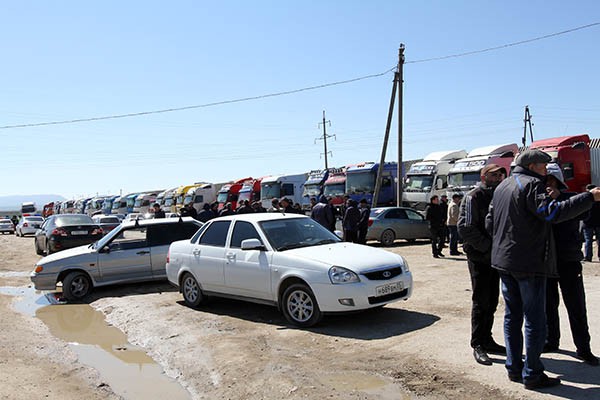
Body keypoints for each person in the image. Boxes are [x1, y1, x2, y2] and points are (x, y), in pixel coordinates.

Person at [487, 149, 600, 389]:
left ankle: (514, 368)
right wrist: (589, 197)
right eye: (543, 166)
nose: (546, 171)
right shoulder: (531, 185)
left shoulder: (503, 186)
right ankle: (533, 374)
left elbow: (491, 222)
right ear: (534, 166)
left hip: (505, 262)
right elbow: (554, 212)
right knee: (534, 320)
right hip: (528, 263)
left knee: (512, 316)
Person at [544, 164, 598, 366]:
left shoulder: (571, 198)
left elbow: (586, 215)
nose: (548, 185)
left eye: (551, 181)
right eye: (545, 181)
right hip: (547, 261)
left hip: (569, 260)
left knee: (576, 306)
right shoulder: (540, 201)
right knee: (549, 305)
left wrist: (559, 199)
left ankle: (584, 348)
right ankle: (551, 340)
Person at [457, 164, 506, 366]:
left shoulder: (500, 196)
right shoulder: (473, 197)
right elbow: (465, 228)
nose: (497, 178)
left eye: (499, 175)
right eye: (493, 175)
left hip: (496, 258)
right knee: (481, 300)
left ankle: (488, 339)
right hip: (480, 257)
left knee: (493, 300)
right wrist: (488, 248)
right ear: (483, 176)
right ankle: (477, 343)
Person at [581, 183, 600, 262]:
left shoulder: (586, 200)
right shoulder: (599, 200)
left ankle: (588, 257)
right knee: (599, 240)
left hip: (587, 223)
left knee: (588, 240)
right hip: (599, 223)